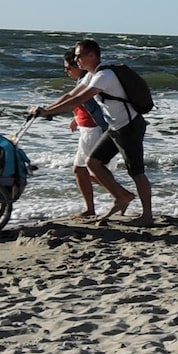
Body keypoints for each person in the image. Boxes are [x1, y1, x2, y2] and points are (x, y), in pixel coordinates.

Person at [32, 39, 153, 225]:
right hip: (115, 127)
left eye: (79, 56)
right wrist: (46, 109)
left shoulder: (104, 75)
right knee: (93, 163)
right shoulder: (92, 74)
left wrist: (49, 112)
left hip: (129, 127)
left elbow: (79, 99)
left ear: (92, 55)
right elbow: (71, 95)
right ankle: (121, 197)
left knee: (136, 172)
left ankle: (147, 216)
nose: (76, 59)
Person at [62, 49, 107, 216]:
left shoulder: (86, 81)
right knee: (88, 171)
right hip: (89, 129)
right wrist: (76, 119)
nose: (66, 72)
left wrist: (47, 111)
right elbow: (84, 106)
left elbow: (76, 100)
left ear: (78, 66)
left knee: (80, 170)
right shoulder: (86, 79)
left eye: (68, 68)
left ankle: (119, 195)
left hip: (93, 131)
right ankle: (118, 195)